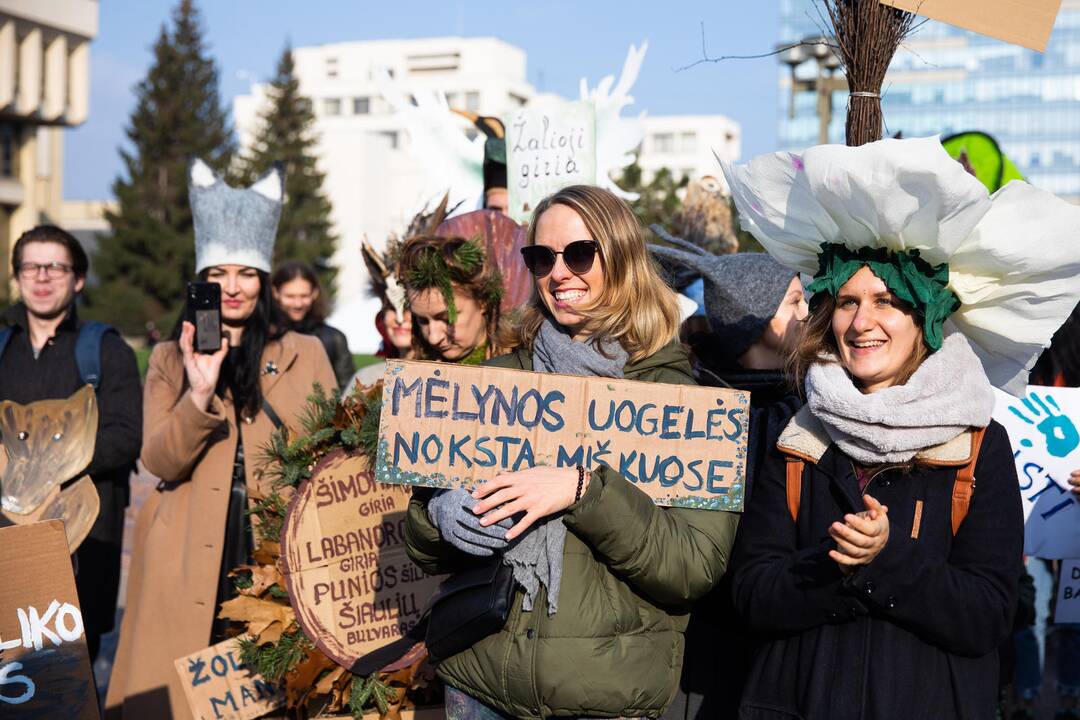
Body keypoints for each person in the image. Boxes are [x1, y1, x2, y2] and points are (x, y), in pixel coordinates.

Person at [724, 136, 1080, 719]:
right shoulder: (799, 437)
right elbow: (752, 593)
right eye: (845, 302)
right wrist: (833, 566)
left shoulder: (979, 445)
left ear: (926, 319)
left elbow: (989, 615)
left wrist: (887, 561)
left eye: (886, 301)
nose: (861, 322)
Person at [405, 185, 740, 719]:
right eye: (541, 258)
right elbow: (421, 538)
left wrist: (583, 491)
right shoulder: (495, 384)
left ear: (624, 259)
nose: (558, 273)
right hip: (480, 682)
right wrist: (440, 516)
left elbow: (692, 567)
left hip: (605, 697)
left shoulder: (690, 406)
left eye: (579, 254)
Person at [106, 160, 336, 720]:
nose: (232, 287)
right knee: (183, 698)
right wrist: (199, 390)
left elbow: (332, 456)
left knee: (266, 696)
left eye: (247, 273)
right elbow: (159, 458)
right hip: (182, 555)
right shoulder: (167, 359)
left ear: (264, 283)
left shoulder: (304, 352)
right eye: (218, 273)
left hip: (271, 551)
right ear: (201, 281)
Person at [649, 230, 806, 720]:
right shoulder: (702, 411)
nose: (809, 314)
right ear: (758, 323)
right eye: (796, 301)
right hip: (707, 649)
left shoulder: (809, 403)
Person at [0, 225, 141, 662]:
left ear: (78, 279)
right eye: (31, 267)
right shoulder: (3, 346)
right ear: (17, 277)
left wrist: (41, 473)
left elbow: (125, 437)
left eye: (55, 267)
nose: (42, 277)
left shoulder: (106, 350)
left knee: (71, 676)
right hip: (5, 539)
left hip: (82, 540)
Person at [397, 233, 504, 364]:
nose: (433, 338)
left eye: (446, 318)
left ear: (483, 301)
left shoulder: (525, 365)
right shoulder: (408, 372)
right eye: (422, 321)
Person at [271, 260, 353, 390]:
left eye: (304, 296)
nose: (298, 304)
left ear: (315, 293)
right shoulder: (263, 336)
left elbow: (347, 390)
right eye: (290, 296)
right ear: (275, 293)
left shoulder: (334, 339)